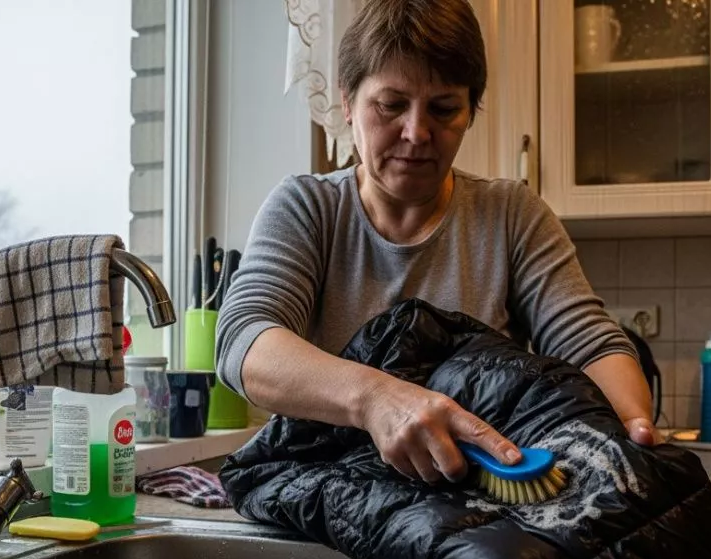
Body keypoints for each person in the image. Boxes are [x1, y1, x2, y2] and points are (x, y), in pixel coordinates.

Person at [216, 0, 658, 487]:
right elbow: (245, 340)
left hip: (473, 499)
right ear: (347, 102)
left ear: (471, 112)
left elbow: (588, 343)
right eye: (391, 105)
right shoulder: (307, 208)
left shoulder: (512, 214)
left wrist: (630, 424)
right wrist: (377, 398)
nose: (417, 132)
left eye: (444, 109)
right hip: (333, 498)